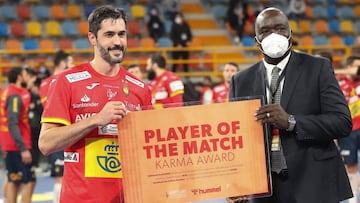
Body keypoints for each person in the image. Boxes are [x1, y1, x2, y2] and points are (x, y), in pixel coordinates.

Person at [228, 7, 353, 203]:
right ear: (257, 40)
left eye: (280, 28)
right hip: (264, 190)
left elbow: (342, 122)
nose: (274, 35)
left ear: (290, 34)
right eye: (266, 31)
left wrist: (292, 122)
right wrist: (235, 181)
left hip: (313, 182)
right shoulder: (240, 81)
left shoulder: (318, 68)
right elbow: (235, 139)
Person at [38, 5, 152, 203]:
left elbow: (148, 149)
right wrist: (96, 120)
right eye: (109, 34)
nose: (118, 42)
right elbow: (46, 144)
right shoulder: (67, 82)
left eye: (122, 34)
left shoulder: (140, 88)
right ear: (92, 38)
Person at [39, 50, 74, 203]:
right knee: (60, 176)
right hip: (59, 133)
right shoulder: (52, 82)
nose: (73, 66)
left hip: (72, 133)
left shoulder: (62, 81)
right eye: (71, 62)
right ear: (62, 63)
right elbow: (51, 108)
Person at [0, 67, 37, 203]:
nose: (27, 77)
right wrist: (23, 148)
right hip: (17, 145)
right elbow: (13, 123)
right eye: (25, 75)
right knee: (26, 181)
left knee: (14, 180)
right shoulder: (14, 96)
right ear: (19, 77)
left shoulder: (5, 92)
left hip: (10, 144)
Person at [336, 56, 360, 203]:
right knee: (350, 165)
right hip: (347, 131)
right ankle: (353, 198)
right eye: (357, 66)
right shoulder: (338, 84)